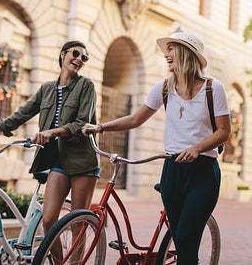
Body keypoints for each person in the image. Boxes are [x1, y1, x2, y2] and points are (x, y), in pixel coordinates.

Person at [82, 32, 230, 265]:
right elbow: (135, 119)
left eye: (171, 49)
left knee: (185, 238)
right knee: (181, 243)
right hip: (172, 169)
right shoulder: (163, 89)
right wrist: (100, 127)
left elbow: (223, 131)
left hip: (203, 171)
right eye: (166, 50)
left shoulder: (213, 88)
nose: (166, 54)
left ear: (186, 53)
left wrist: (197, 148)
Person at [0, 40, 99, 237]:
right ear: (62, 54)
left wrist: (51, 132)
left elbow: (81, 124)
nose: (78, 59)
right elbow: (20, 116)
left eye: (83, 57)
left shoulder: (86, 85)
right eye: (75, 53)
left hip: (83, 161)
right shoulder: (46, 89)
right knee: (48, 221)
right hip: (58, 160)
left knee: (77, 224)